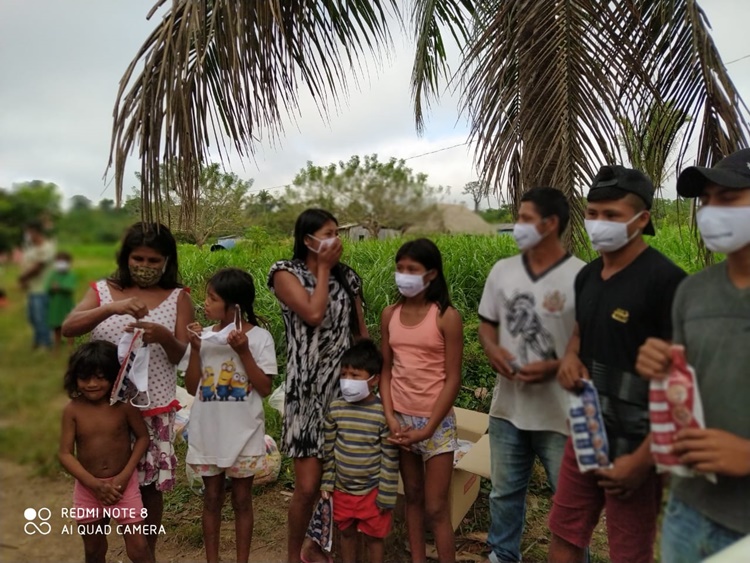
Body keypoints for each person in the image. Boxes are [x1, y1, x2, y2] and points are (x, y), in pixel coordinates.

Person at [546, 165, 687, 563]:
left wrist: (642, 461)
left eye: (611, 215)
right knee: (564, 533)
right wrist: (571, 356)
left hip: (637, 447)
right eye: (592, 213)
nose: (598, 223)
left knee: (628, 550)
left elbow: (682, 384)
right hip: (587, 430)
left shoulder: (667, 282)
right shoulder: (587, 276)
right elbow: (580, 331)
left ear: (642, 220)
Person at [636, 148, 750, 562]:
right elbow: (685, 384)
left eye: (728, 198)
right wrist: (662, 365)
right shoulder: (693, 291)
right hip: (687, 510)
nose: (710, 211)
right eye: (705, 201)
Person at [61, 222, 194, 558]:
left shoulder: (179, 297)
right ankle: (97, 548)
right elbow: (68, 327)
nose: (145, 267)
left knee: (149, 489)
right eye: (138, 258)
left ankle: (144, 552)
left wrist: (162, 336)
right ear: (125, 257)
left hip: (153, 408)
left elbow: (182, 356)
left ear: (166, 261)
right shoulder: (103, 291)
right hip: (104, 410)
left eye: (154, 261)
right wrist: (111, 308)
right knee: (102, 477)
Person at [478, 187, 586, 563]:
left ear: (550, 223)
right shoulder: (502, 272)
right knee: (503, 495)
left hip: (561, 416)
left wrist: (554, 367)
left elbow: (586, 340)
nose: (517, 226)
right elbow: (486, 325)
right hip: (507, 410)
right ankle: (502, 556)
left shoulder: (581, 277)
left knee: (569, 504)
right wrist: (493, 352)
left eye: (524, 219)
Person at [267, 208, 367, 563]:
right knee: (308, 487)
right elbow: (313, 314)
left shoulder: (349, 279)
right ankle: (294, 555)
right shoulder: (284, 273)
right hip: (305, 393)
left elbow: (360, 334)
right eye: (327, 232)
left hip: (344, 392)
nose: (335, 239)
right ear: (307, 239)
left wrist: (371, 377)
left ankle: (322, 548)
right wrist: (323, 269)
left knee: (341, 483)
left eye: (337, 232)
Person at [185, 268, 277, 563]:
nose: (205, 304)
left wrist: (244, 352)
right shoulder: (203, 337)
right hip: (208, 433)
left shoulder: (260, 338)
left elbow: (263, 388)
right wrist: (196, 348)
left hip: (245, 435)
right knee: (211, 499)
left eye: (212, 298)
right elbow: (189, 386)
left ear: (233, 306)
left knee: (241, 501)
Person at [380, 238, 463, 563]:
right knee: (412, 496)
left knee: (436, 507)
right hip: (401, 421)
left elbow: (452, 379)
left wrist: (429, 428)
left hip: (436, 424)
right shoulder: (390, 315)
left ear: (431, 274)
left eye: (411, 269)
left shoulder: (446, 317)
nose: (403, 275)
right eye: (400, 268)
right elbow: (386, 370)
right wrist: (390, 416)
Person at [58, 341, 153, 563]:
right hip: (88, 489)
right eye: (85, 377)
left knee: (138, 548)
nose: (92, 384)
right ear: (74, 378)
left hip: (124, 487)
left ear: (114, 376)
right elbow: (64, 454)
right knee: (93, 549)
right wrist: (93, 484)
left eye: (100, 377)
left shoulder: (123, 407)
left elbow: (142, 437)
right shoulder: (72, 410)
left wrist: (125, 475)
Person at [320, 339, 400, 563]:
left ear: (373, 380)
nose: (347, 381)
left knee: (375, 538)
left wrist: (386, 493)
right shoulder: (336, 409)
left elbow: (389, 458)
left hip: (373, 492)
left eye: (355, 375)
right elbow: (329, 450)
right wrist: (327, 482)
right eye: (344, 374)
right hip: (342, 490)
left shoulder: (382, 414)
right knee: (346, 534)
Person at [18, 220, 56, 349]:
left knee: (41, 318)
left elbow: (37, 267)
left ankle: (46, 344)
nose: (27, 235)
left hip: (43, 289)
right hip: (33, 289)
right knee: (33, 318)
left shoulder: (47, 247)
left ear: (35, 232)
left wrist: (22, 278)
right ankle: (38, 341)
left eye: (28, 232)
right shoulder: (31, 248)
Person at [46, 251, 77, 350]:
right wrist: (53, 288)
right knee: (56, 327)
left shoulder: (71, 275)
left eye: (64, 261)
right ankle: (57, 347)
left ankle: (70, 348)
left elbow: (70, 288)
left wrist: (59, 287)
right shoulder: (53, 275)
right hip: (55, 305)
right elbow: (47, 288)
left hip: (66, 305)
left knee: (70, 326)